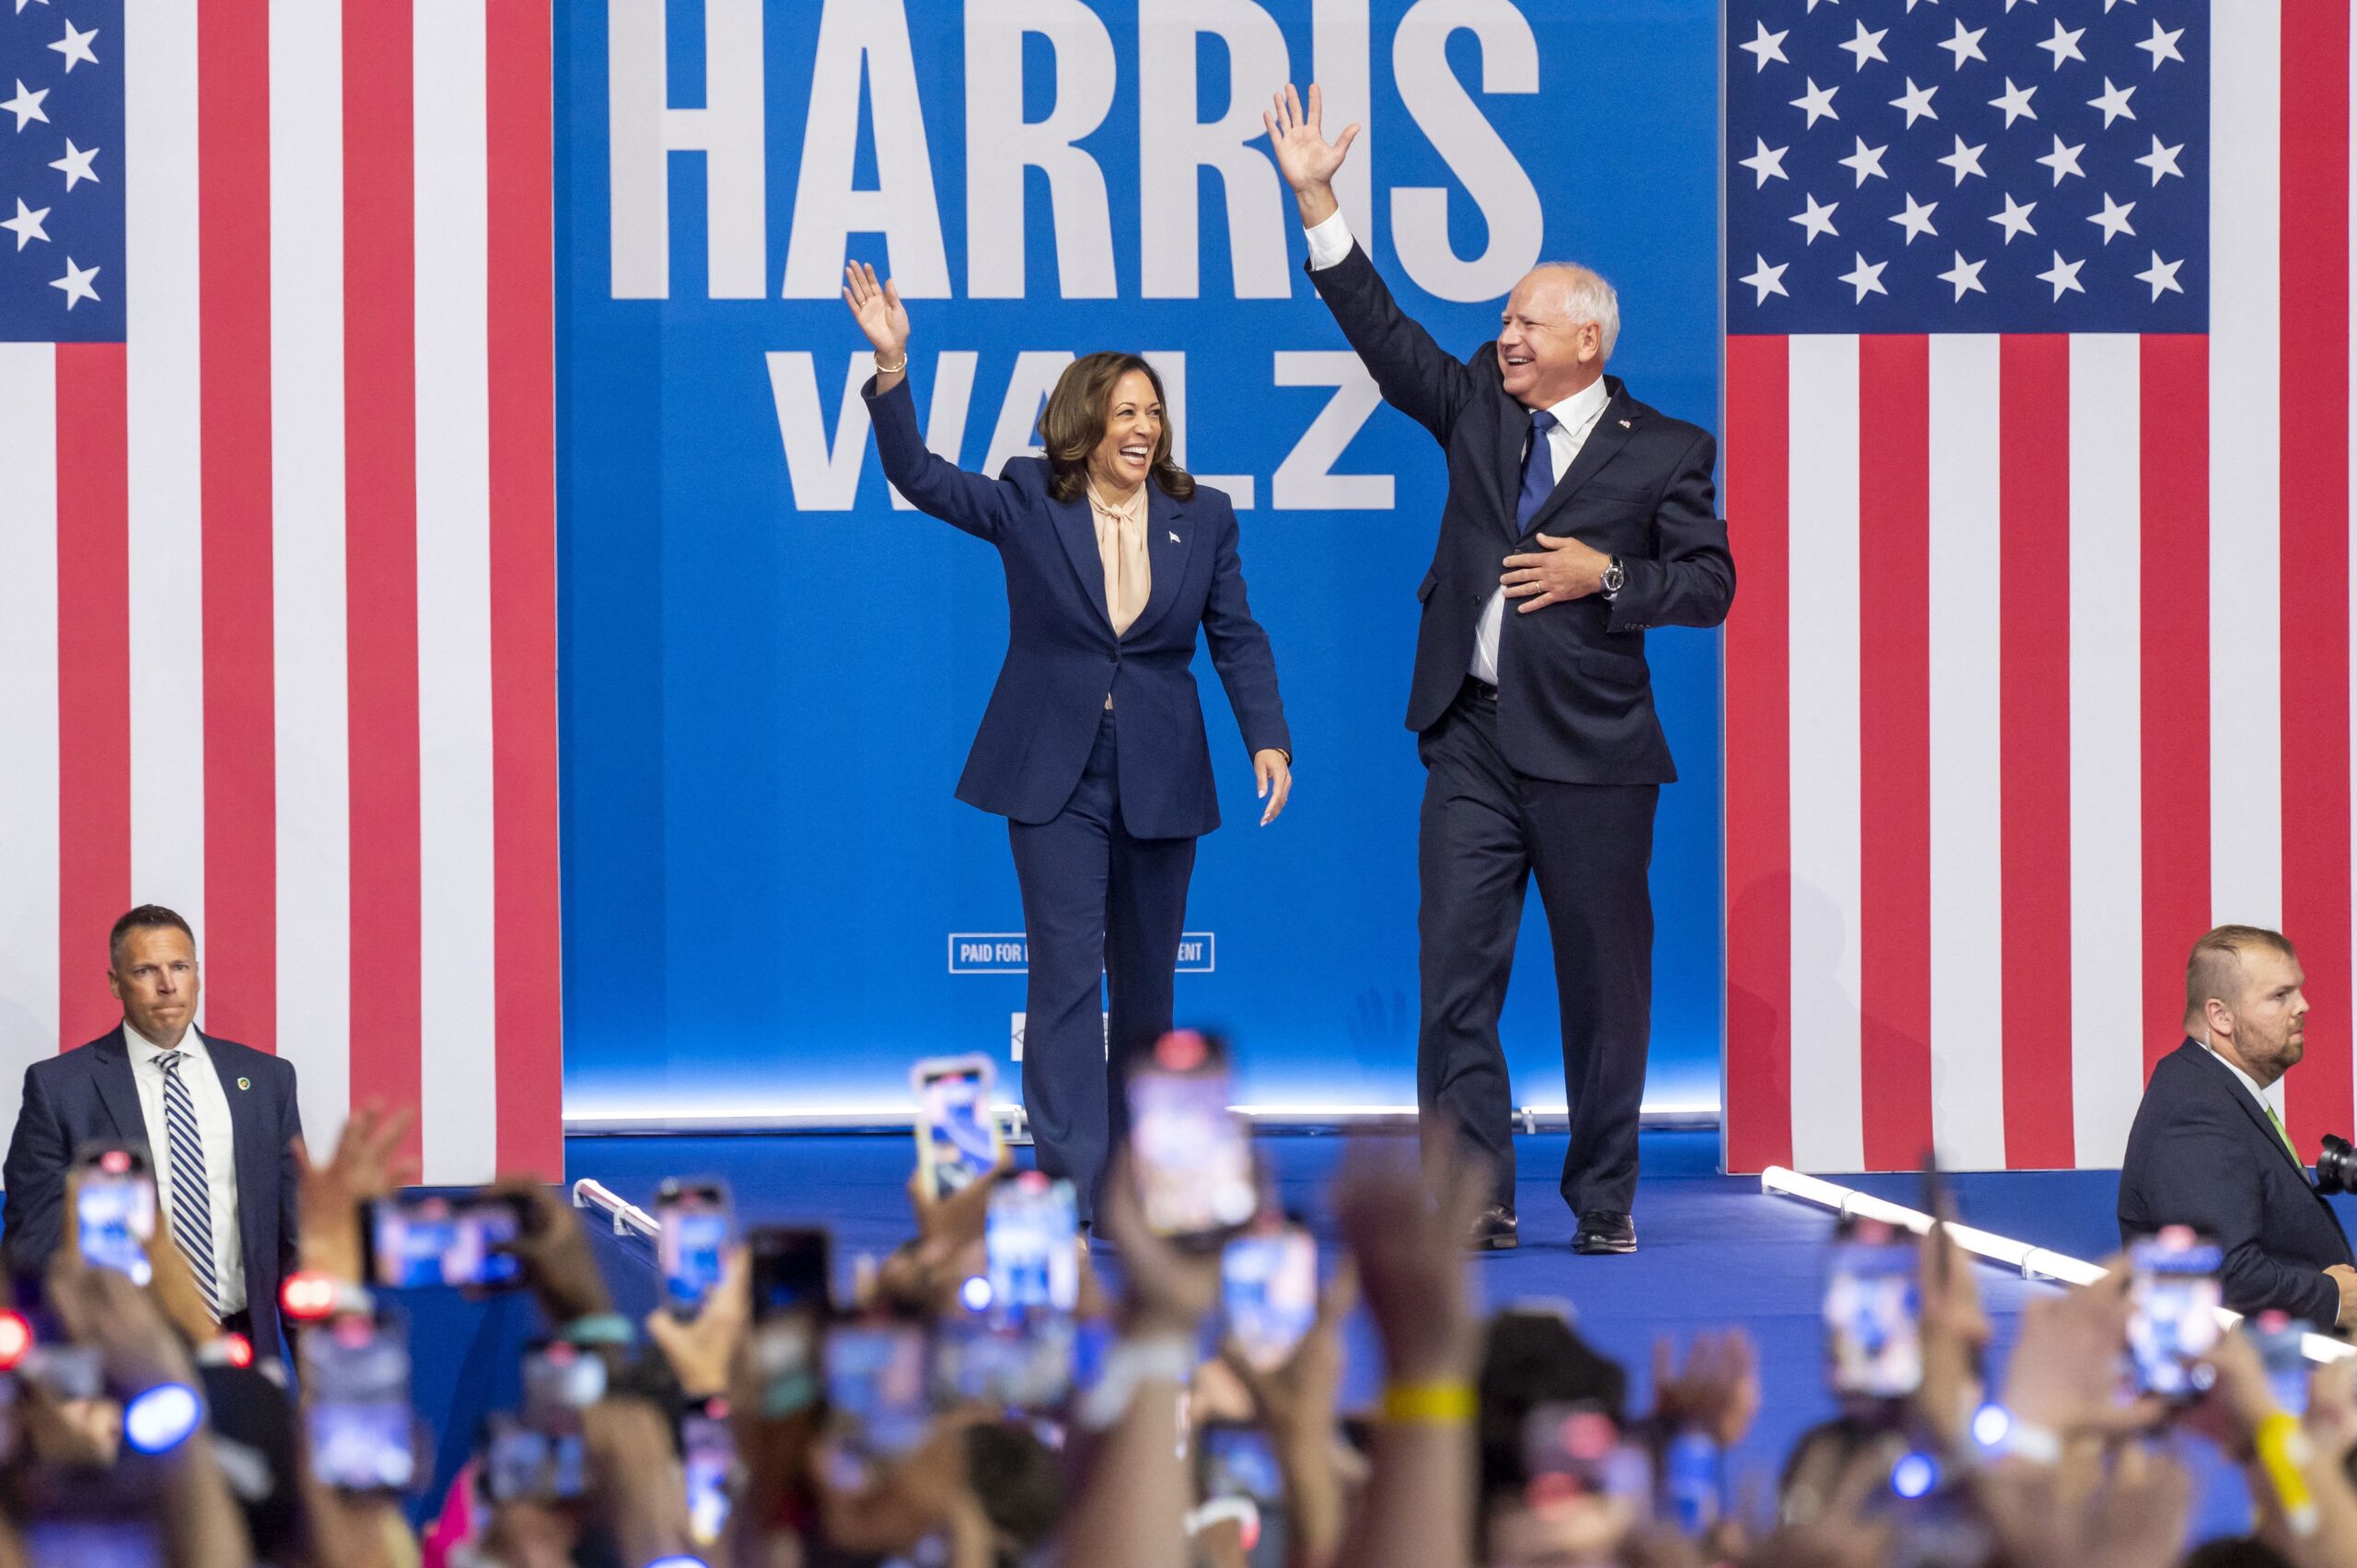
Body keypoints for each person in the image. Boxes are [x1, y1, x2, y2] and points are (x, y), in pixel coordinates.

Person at [1264, 86, 1735, 1254]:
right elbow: (1383, 330)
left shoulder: (1669, 449)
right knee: (1454, 978)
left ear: (1587, 340)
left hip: (1593, 756)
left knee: (1602, 992)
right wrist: (1318, 197)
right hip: (1469, 738)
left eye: (1527, 322)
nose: (1504, 335)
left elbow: (1710, 585)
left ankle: (1603, 1198)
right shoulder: (1477, 404)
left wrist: (1606, 577)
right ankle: (1474, 1191)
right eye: (1503, 320)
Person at [840, 262, 1293, 1228]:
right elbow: (916, 475)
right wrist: (891, 369)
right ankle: (1075, 1176)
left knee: (1149, 981)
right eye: (1125, 410)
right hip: (1056, 773)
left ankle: (1143, 1176)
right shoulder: (1025, 499)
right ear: (1084, 419)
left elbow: (1236, 633)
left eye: (1153, 412)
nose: (1143, 428)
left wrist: (1268, 737)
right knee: (1062, 974)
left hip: (1163, 772)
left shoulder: (1202, 516)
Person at [1, 904, 303, 1357]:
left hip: (241, 1342)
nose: (167, 985)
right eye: (146, 970)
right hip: (121, 1349)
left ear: (197, 973)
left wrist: (316, 1371)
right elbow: (32, 1244)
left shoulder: (265, 1080)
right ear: (115, 982)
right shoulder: (60, 1088)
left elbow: (292, 1239)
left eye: (179, 967)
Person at [2119, 925, 2357, 1330]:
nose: (2303, 1006)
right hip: (2258, 1382)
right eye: (2280, 996)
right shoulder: (2194, 1109)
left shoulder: (2213, 1091)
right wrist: (2332, 1299)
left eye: (2298, 991)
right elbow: (2219, 1273)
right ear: (2221, 1015)